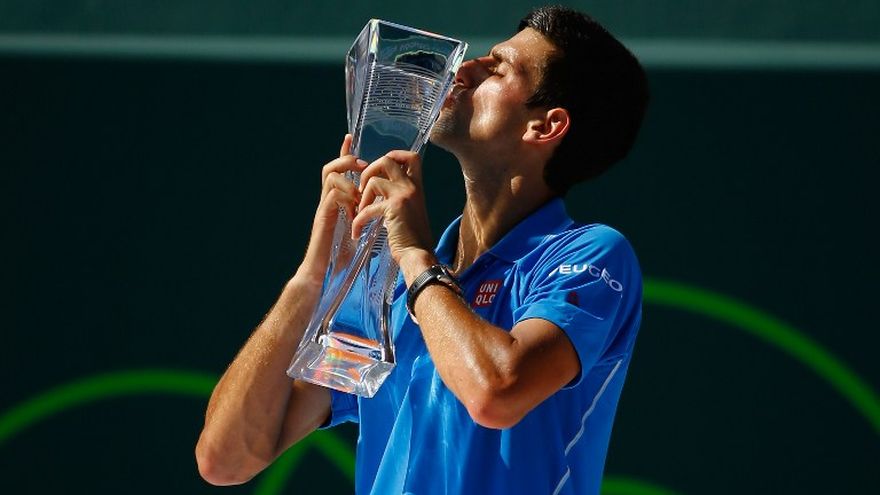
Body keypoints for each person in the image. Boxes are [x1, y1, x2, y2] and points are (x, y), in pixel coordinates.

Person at [196, 5, 649, 495]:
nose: (465, 69)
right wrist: (315, 276)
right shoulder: (393, 291)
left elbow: (496, 393)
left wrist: (414, 255)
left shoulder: (592, 255)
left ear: (545, 126)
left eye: (498, 68)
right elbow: (226, 460)